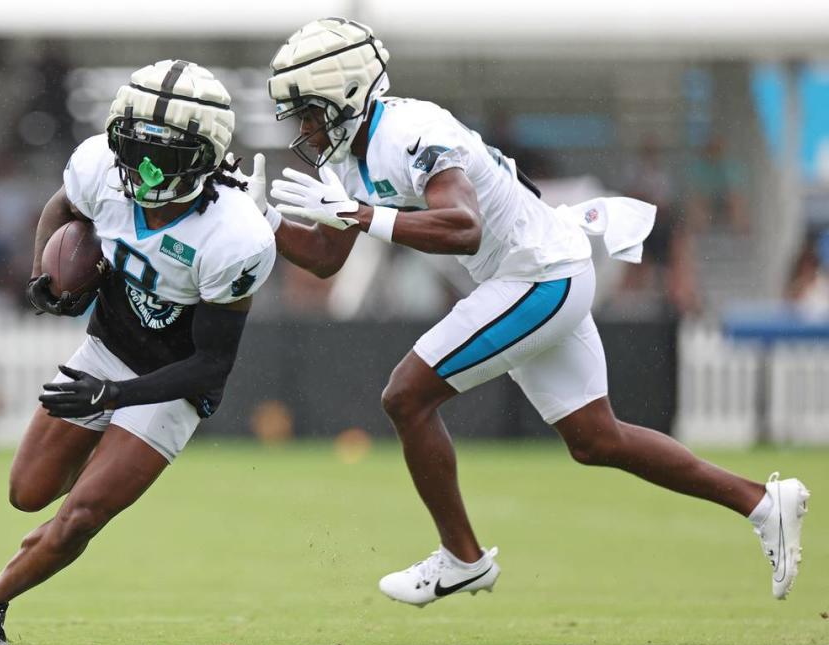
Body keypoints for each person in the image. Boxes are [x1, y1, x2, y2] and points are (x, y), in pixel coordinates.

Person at [240, 18, 809, 607]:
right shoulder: (352, 153)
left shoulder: (412, 131)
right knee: (596, 440)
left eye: (310, 111)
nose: (304, 127)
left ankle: (462, 558)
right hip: (536, 272)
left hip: (539, 276)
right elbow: (328, 259)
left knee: (405, 396)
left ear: (349, 96)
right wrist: (270, 220)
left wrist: (362, 214)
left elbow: (464, 227)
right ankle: (763, 503)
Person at [0, 60, 276, 645]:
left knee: (81, 516)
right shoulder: (100, 169)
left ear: (206, 157)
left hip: (172, 382)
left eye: (168, 153)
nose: (148, 167)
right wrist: (44, 278)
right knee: (27, 492)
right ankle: (98, 478)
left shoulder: (236, 236)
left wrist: (116, 400)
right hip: (107, 349)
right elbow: (63, 207)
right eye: (135, 146)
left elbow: (213, 365)